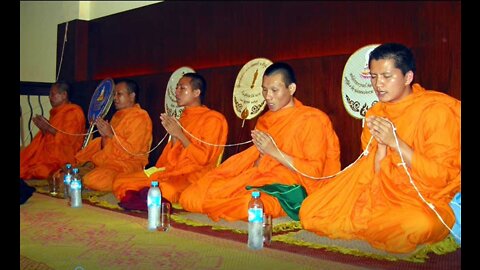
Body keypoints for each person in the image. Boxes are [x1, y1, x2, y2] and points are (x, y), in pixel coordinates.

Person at [299, 43, 461, 253]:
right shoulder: (375, 112)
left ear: (407, 77)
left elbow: (442, 177)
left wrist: (396, 143)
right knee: (311, 210)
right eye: (373, 77)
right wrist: (383, 148)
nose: (378, 84)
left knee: (417, 225)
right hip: (381, 189)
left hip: (423, 195)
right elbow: (373, 172)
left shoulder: (436, 111)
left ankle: (378, 223)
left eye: (386, 76)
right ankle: (374, 222)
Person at [179, 62, 341, 221]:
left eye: (274, 90)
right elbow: (256, 161)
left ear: (291, 89)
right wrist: (249, 168)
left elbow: (313, 172)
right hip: (258, 177)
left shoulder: (312, 120)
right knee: (191, 196)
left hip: (289, 187)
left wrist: (274, 152)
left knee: (250, 205)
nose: (268, 96)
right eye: (264, 90)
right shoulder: (265, 120)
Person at [113, 73, 228, 204]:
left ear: (196, 92)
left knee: (166, 191)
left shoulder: (213, 119)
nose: (176, 92)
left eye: (182, 88)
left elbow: (203, 158)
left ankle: (145, 195)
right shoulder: (183, 118)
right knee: (121, 181)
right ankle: (145, 195)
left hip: (194, 175)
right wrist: (174, 136)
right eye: (177, 87)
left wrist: (179, 135)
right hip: (174, 171)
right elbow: (173, 158)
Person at [75, 79, 153, 192]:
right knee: (69, 171)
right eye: (114, 94)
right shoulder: (117, 116)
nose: (115, 98)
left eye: (119, 94)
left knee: (94, 180)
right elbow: (106, 148)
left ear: (132, 96)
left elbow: (132, 152)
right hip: (109, 162)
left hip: (128, 165)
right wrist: (104, 137)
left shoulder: (141, 117)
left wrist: (110, 135)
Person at [20, 82, 86, 180]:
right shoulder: (57, 112)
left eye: (52, 94)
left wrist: (48, 128)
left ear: (64, 95)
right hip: (48, 154)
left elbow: (70, 140)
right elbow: (51, 137)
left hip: (62, 157)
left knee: (38, 170)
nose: (49, 97)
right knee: (25, 161)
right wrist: (44, 129)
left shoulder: (73, 112)